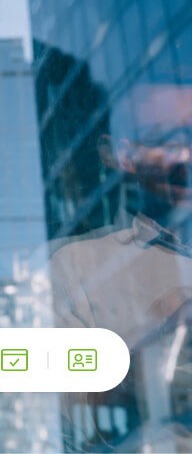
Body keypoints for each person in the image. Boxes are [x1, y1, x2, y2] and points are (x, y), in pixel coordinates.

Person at [49, 83, 192, 452]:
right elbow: (67, 423)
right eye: (170, 141)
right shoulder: (77, 265)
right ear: (124, 156)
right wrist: (157, 347)